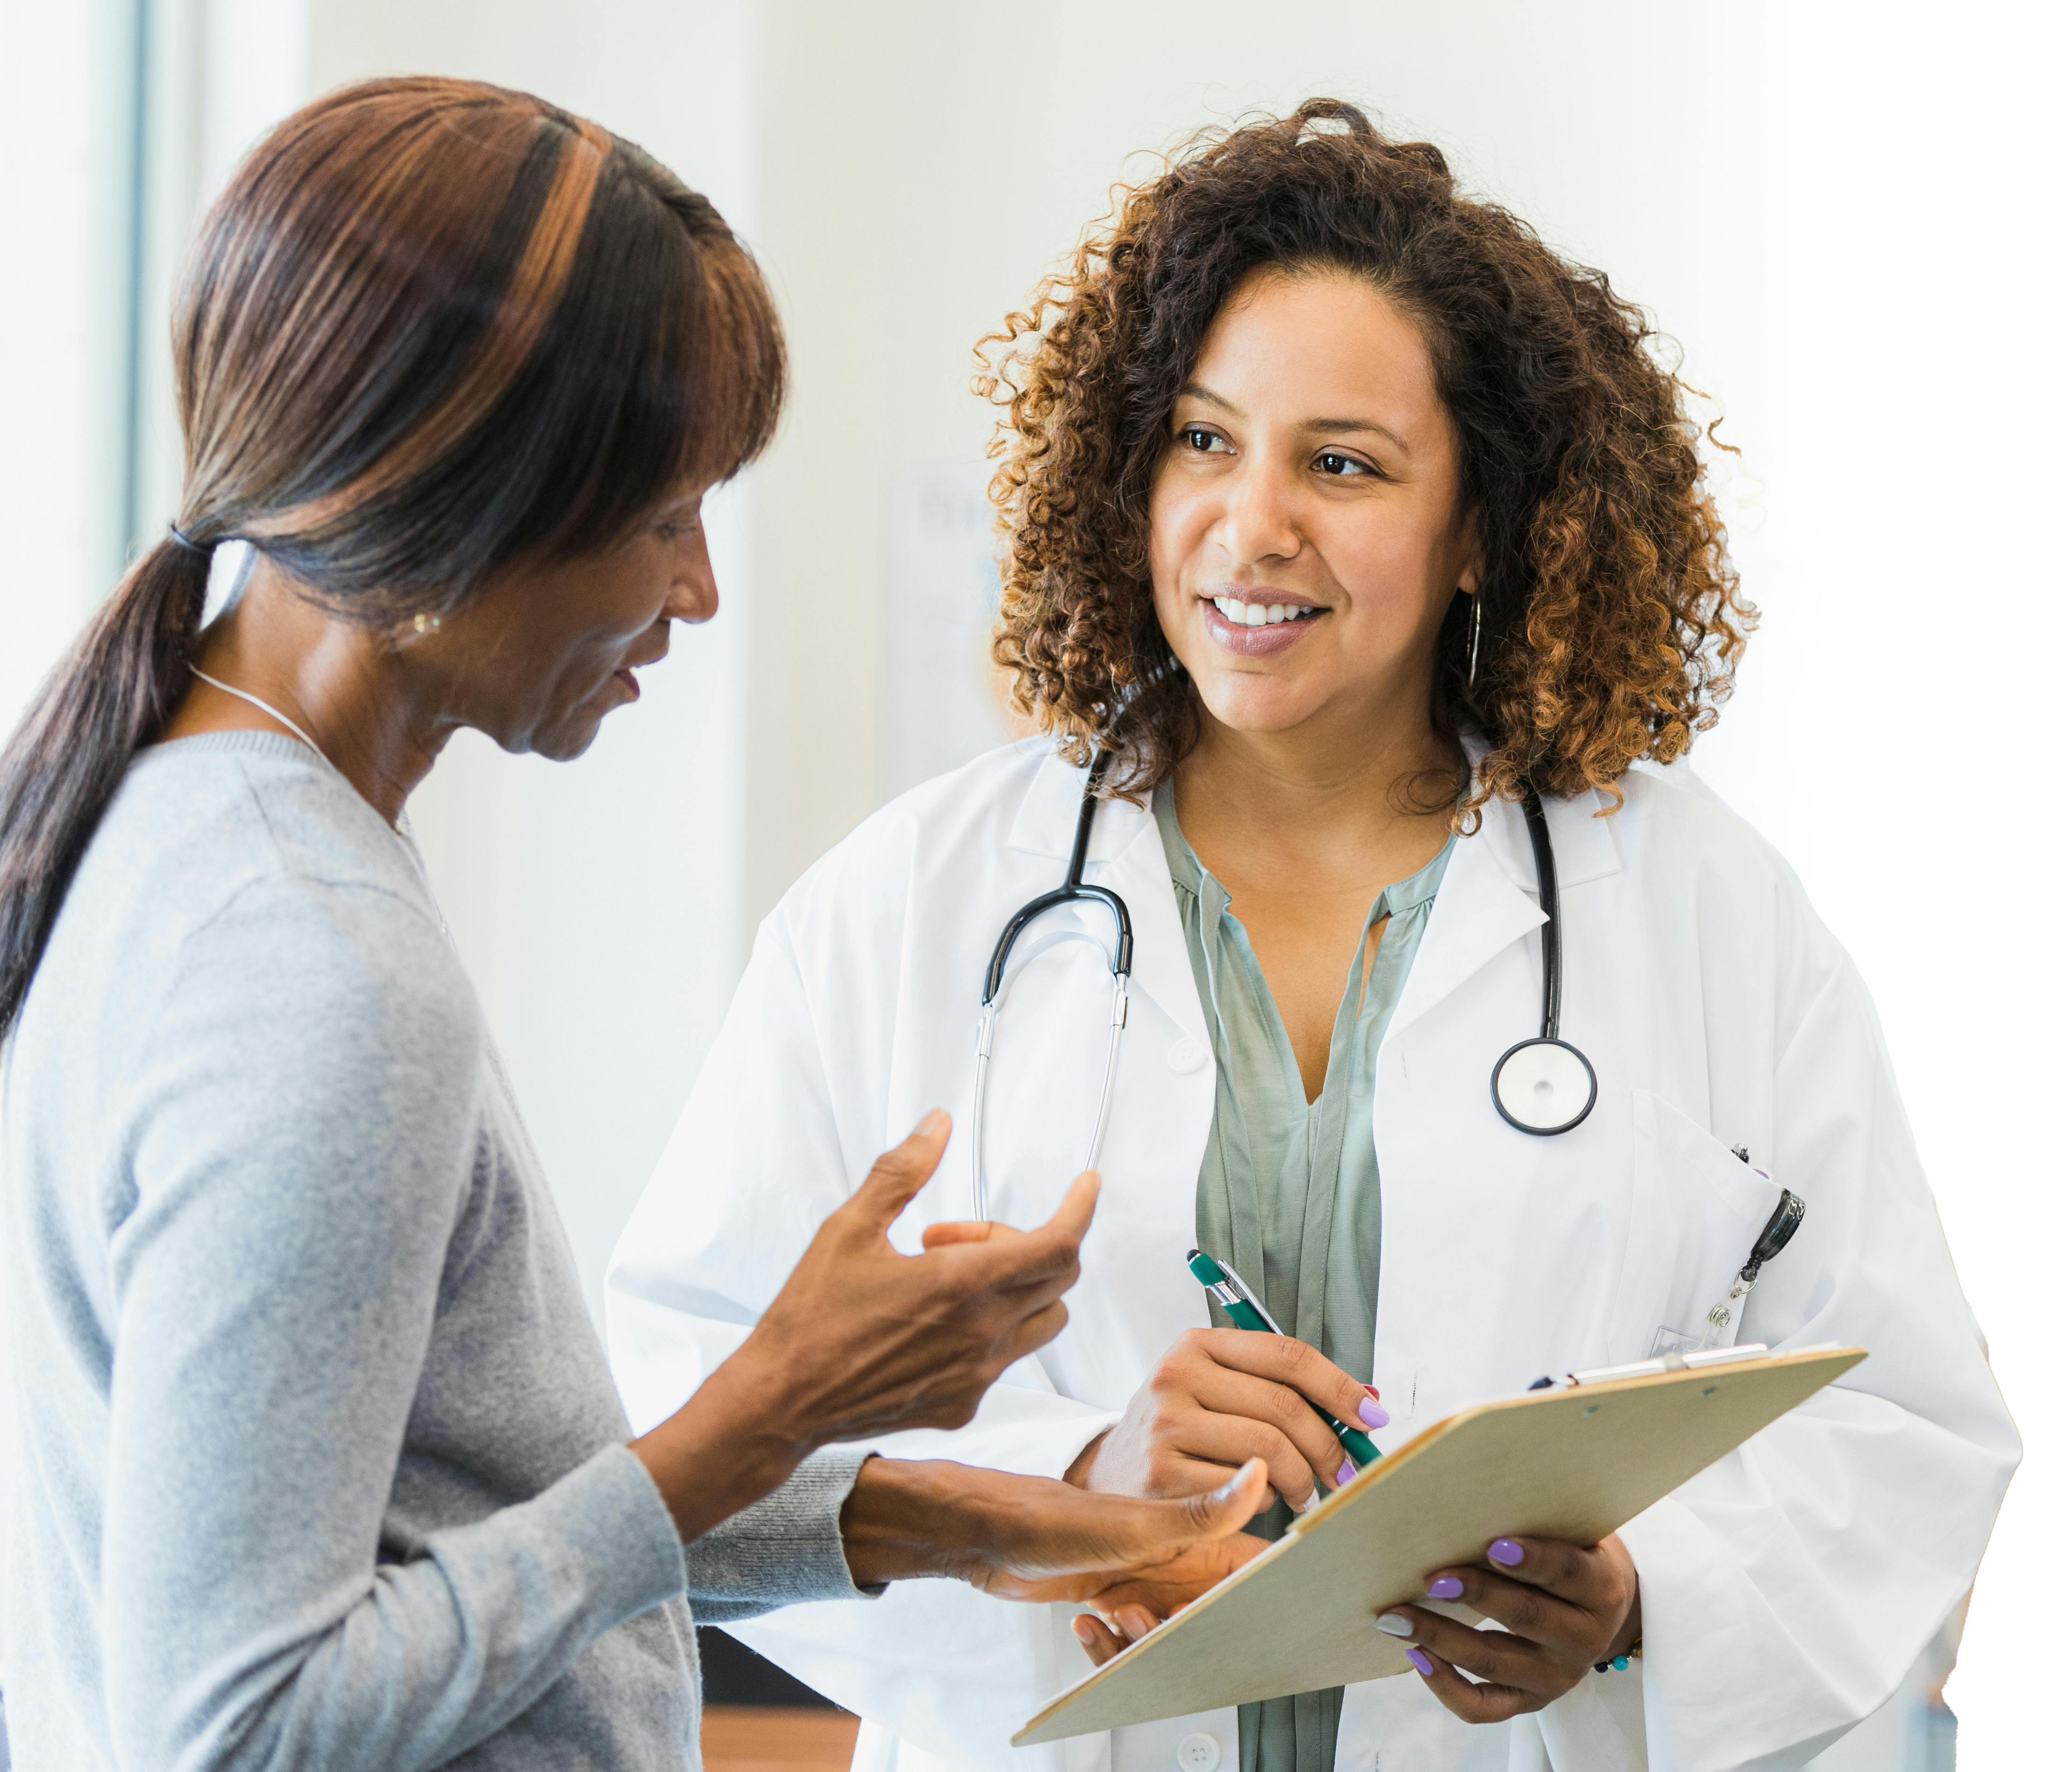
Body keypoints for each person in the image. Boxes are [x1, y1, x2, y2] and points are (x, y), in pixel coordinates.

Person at [605, 100, 2020, 1772]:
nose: (1252, 523)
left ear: (1482, 524)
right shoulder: (911, 901)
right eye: (1204, 442)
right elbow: (675, 1421)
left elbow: (1905, 1417)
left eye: (1341, 464)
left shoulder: (1698, 905)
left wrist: (1640, 1593)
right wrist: (1072, 1485)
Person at [0, 78, 1275, 1772]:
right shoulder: (308, 960)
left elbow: (450, 1540)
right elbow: (240, 1725)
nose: (697, 593)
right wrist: (769, 1410)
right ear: (463, 500)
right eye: (666, 518)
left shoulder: (180, 816)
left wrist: (970, 1520)